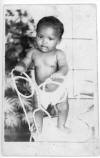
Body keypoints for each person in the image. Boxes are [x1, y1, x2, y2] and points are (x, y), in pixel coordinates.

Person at [15, 16, 70, 135]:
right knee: (37, 109)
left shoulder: (58, 54)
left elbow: (65, 67)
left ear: (58, 41)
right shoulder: (33, 52)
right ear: (36, 36)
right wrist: (22, 66)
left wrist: (59, 73)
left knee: (63, 107)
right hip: (41, 90)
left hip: (57, 88)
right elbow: (26, 61)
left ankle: (61, 125)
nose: (44, 41)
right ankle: (38, 129)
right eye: (40, 37)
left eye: (50, 38)